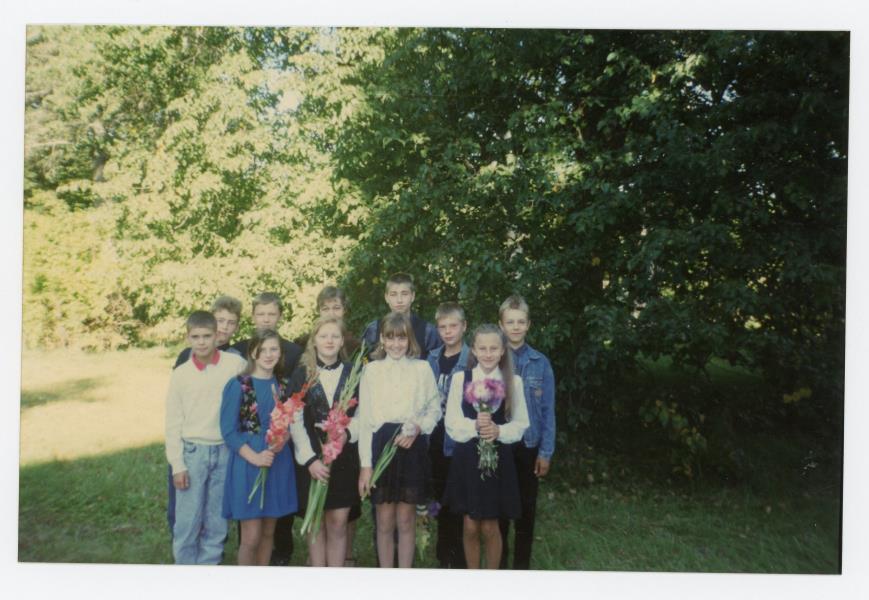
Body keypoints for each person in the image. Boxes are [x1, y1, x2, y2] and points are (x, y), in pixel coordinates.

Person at [357, 312, 441, 568]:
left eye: (401, 338)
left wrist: (418, 428)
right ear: (382, 339)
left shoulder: (421, 368)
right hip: (381, 445)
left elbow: (434, 409)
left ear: (409, 339)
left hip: (410, 446)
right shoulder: (371, 370)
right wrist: (366, 465)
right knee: (384, 521)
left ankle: (404, 575)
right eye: (390, 338)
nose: (396, 344)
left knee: (405, 520)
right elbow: (365, 420)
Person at [443, 324, 529, 569]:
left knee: (490, 525)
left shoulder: (514, 382)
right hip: (468, 457)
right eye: (482, 348)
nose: (488, 353)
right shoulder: (461, 379)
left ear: (502, 351)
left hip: (498, 459)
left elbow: (521, 424)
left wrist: (499, 431)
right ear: (474, 350)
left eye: (493, 348)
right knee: (470, 525)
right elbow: (451, 423)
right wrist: (475, 426)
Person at [165, 310, 246, 564]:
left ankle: (209, 567)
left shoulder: (235, 364)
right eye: (195, 337)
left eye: (207, 336)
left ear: (216, 335)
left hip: (225, 451)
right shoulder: (181, 374)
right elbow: (173, 421)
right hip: (192, 453)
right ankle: (185, 568)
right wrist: (177, 464)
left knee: (217, 519)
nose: (201, 342)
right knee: (188, 519)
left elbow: (251, 394)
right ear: (188, 338)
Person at [231, 291, 303, 565]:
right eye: (262, 350)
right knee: (250, 534)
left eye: (274, 350)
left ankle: (269, 569)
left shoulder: (284, 378)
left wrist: (284, 436)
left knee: (270, 528)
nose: (268, 355)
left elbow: (292, 412)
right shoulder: (239, 377)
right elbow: (229, 428)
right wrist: (253, 455)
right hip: (249, 455)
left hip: (277, 453)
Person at [289, 317, 360, 567]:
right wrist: (309, 460)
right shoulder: (302, 373)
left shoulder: (354, 373)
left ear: (342, 342)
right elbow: (294, 420)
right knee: (316, 522)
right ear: (314, 341)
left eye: (335, 336)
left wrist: (346, 434)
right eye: (323, 336)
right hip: (311, 459)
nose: (329, 341)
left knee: (338, 522)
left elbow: (363, 414)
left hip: (344, 458)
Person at [497, 295, 556, 570]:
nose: (516, 327)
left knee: (525, 510)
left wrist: (546, 452)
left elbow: (548, 410)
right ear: (501, 324)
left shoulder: (540, 363)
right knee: (499, 511)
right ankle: (499, 566)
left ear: (529, 324)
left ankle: (521, 569)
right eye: (510, 322)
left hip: (528, 445)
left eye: (521, 322)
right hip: (499, 443)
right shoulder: (492, 358)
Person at [426, 302, 471, 568]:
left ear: (464, 326)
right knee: (440, 499)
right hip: (435, 439)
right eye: (442, 327)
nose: (448, 331)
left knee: (460, 501)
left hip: (461, 441)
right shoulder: (431, 358)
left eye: (453, 326)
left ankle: (461, 559)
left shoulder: (473, 358)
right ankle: (444, 558)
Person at [360, 273, 440, 360]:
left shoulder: (428, 331)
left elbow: (436, 364)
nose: (399, 300)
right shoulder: (374, 329)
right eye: (393, 294)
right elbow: (363, 362)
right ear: (386, 297)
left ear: (413, 296)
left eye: (404, 294)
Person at [295, 286, 361, 358]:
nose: (331, 314)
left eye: (336, 308)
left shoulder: (355, 346)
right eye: (325, 309)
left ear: (344, 310)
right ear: (319, 311)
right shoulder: (303, 344)